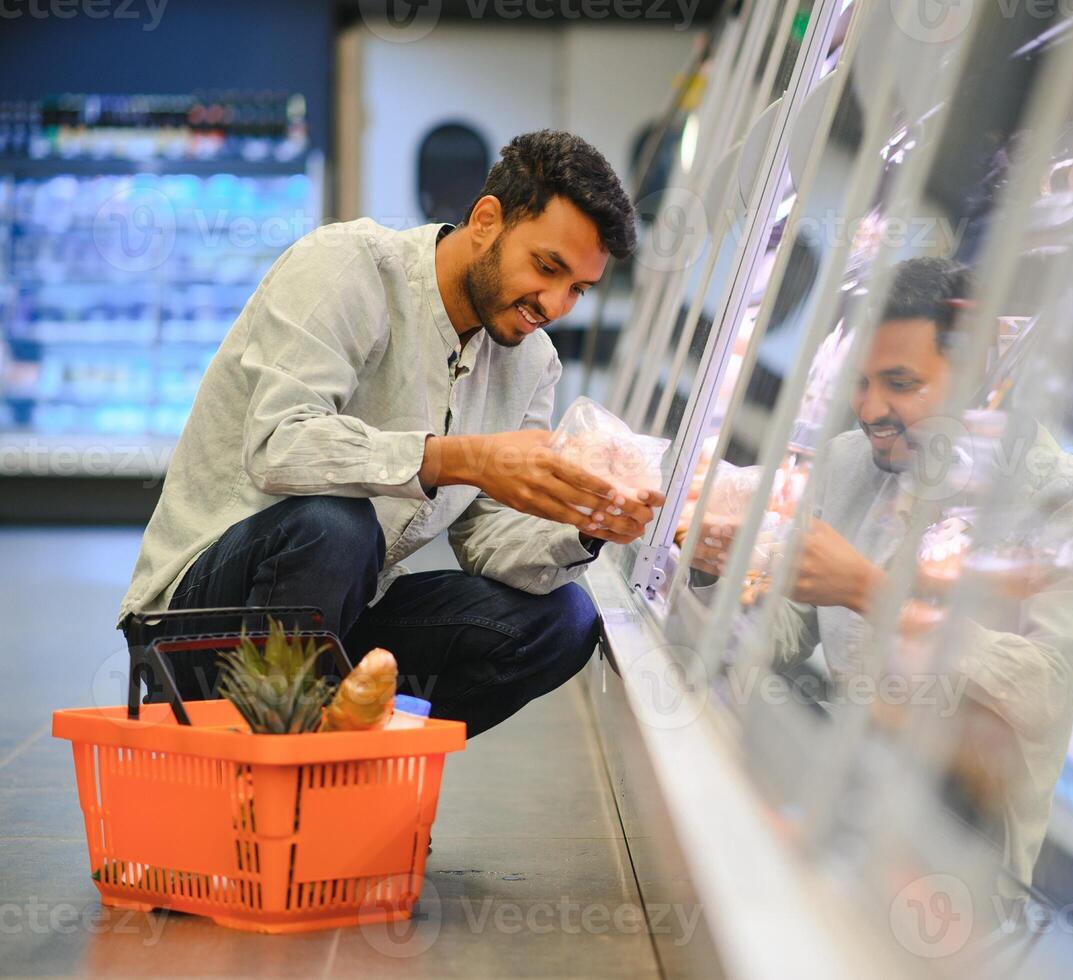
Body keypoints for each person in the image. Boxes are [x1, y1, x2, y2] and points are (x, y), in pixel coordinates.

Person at [119, 130, 665, 737]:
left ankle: (355, 767)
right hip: (204, 621)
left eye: (578, 289)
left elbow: (489, 538)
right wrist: (464, 458)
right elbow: (279, 444)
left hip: (339, 623)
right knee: (334, 526)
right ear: (487, 219)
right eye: (546, 267)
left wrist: (585, 522)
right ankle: (281, 795)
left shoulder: (531, 362)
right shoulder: (346, 266)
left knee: (564, 620)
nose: (556, 304)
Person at [691, 256, 1073, 884]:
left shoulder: (1065, 498)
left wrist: (875, 594)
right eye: (861, 382)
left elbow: (1044, 693)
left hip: (952, 844)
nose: (870, 409)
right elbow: (787, 633)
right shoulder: (850, 462)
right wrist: (726, 573)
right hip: (835, 779)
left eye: (900, 383)